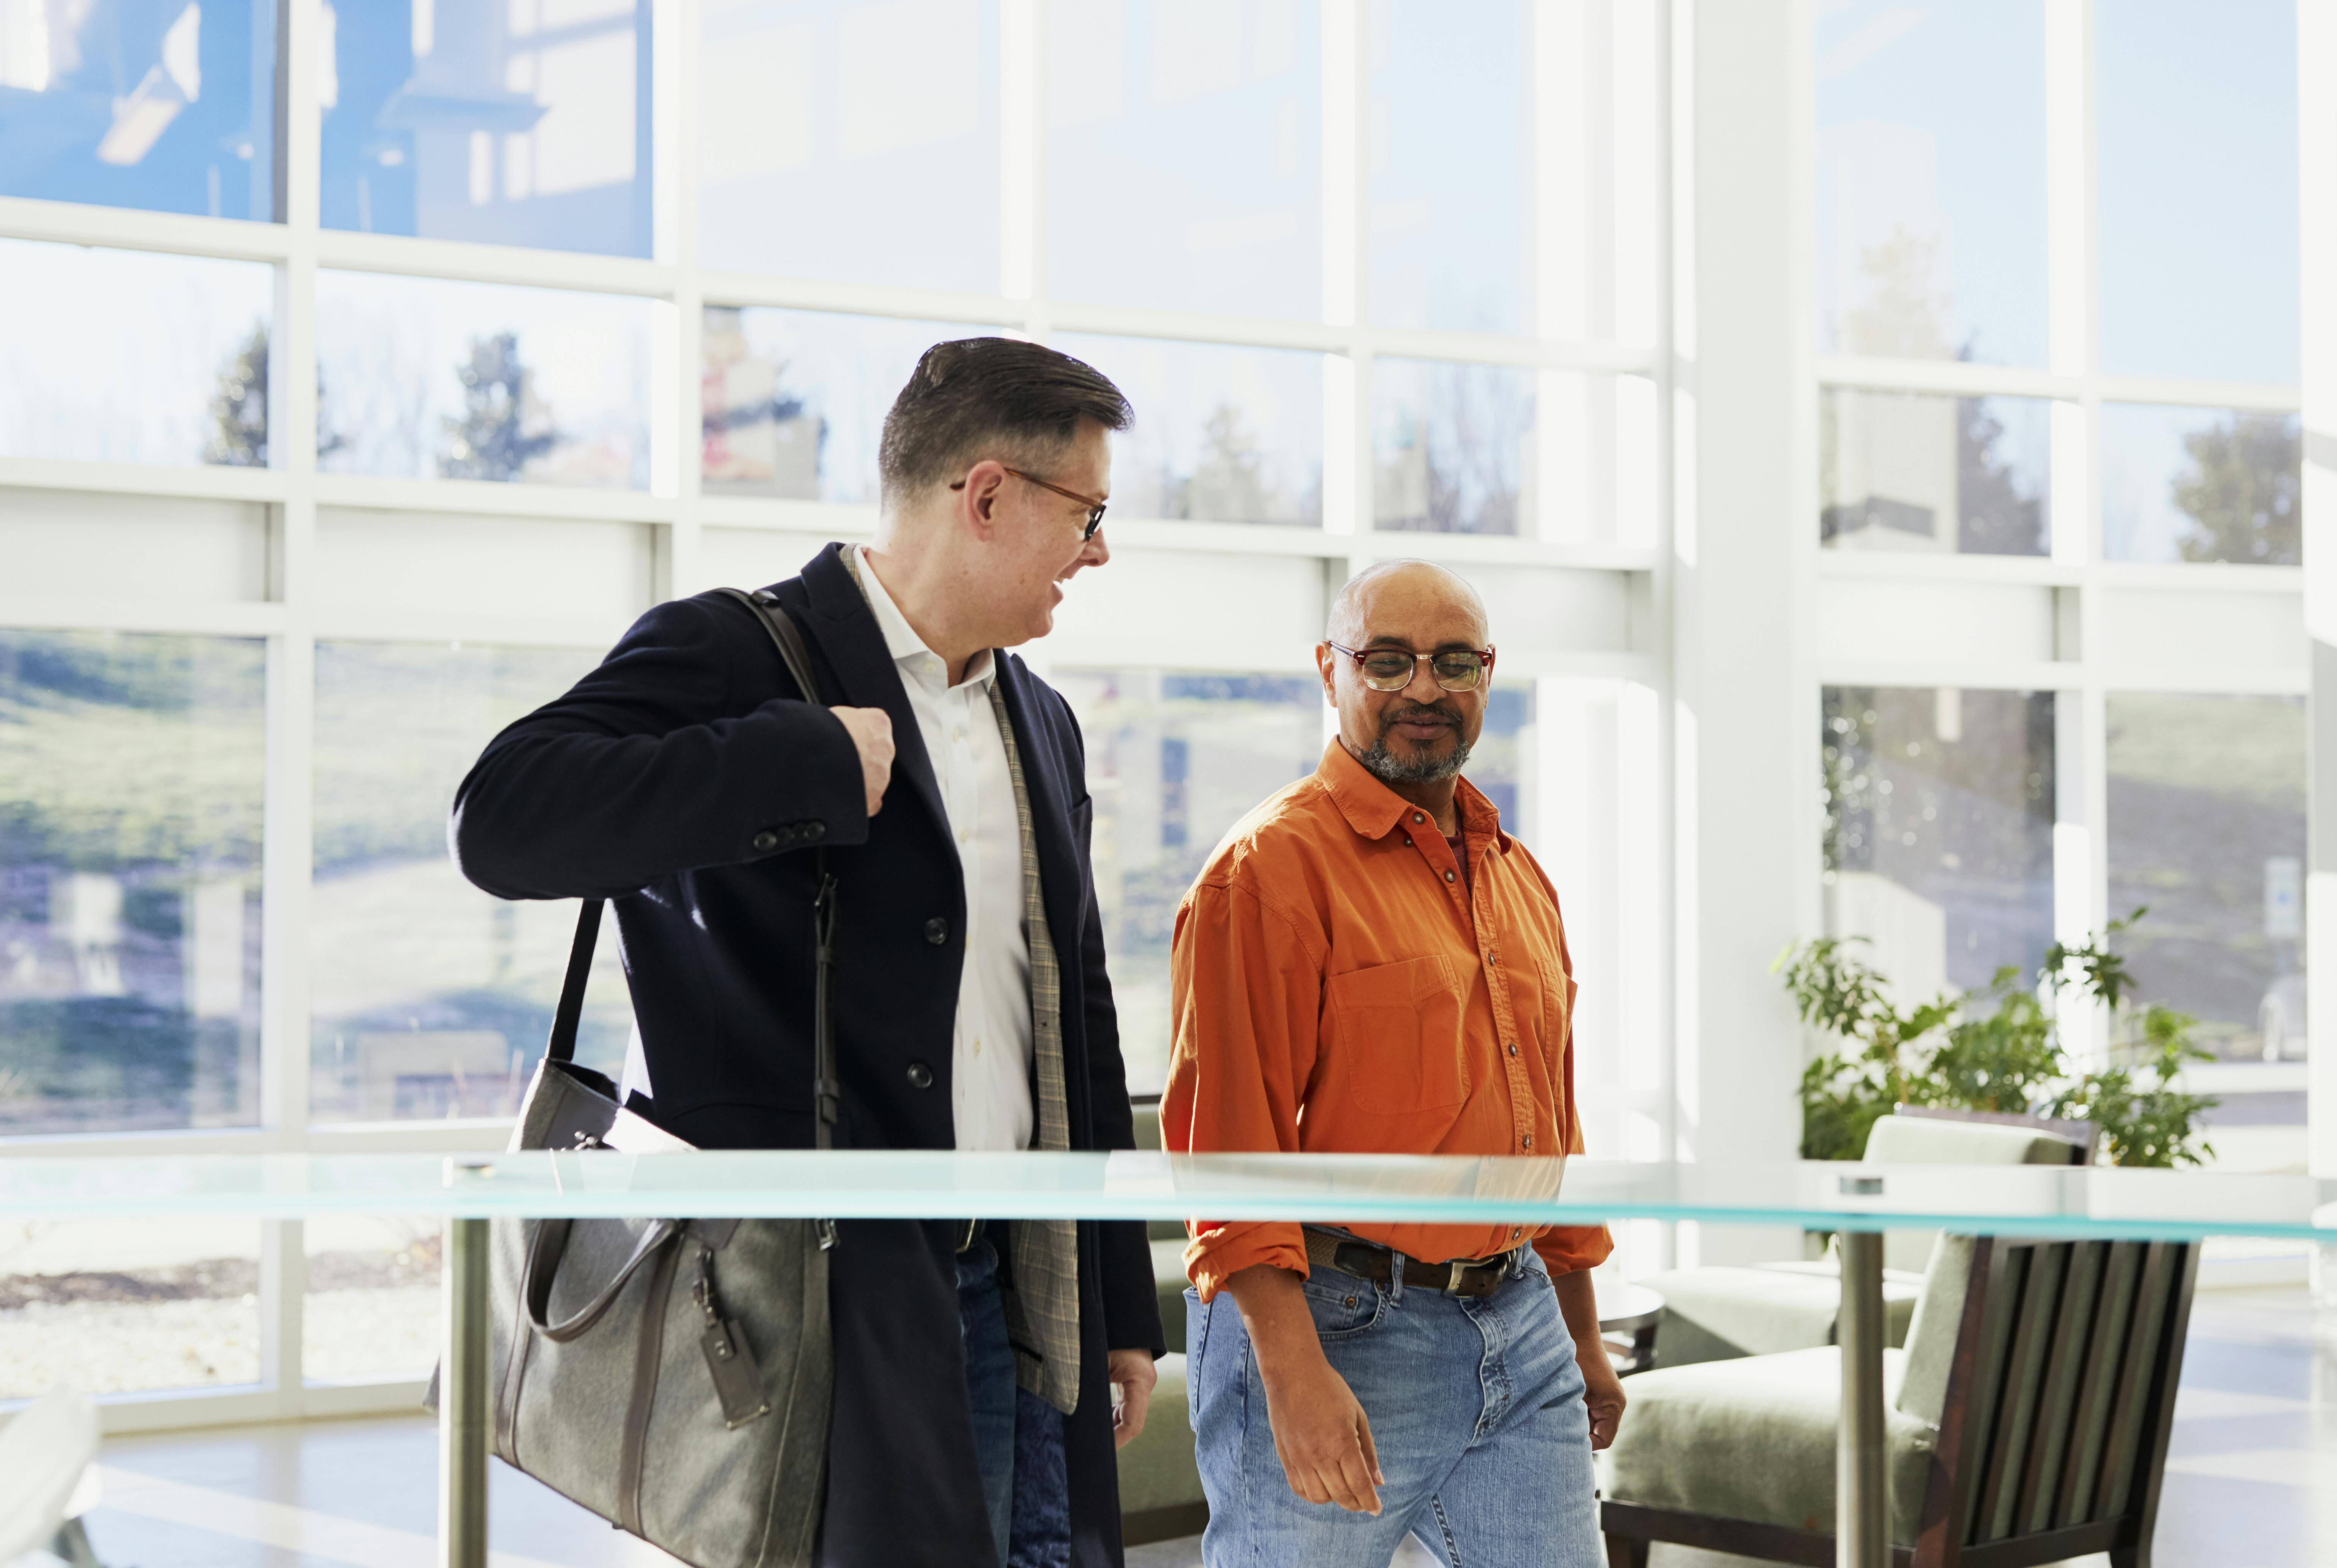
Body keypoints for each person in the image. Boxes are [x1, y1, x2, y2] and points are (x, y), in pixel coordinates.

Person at [450, 338, 1164, 1568]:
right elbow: (502, 820)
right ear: (987, 496)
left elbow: (1073, 1012)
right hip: (807, 1296)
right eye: (1088, 513)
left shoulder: (1040, 719)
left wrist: (1115, 1303)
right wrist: (803, 761)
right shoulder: (737, 651)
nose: (1099, 550)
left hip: (1008, 1281)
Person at [1161, 559, 1627, 1566]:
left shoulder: (1517, 874)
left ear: (1488, 676)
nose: (1425, 687)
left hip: (1520, 1321)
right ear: (1331, 672)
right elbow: (1226, 1147)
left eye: (1454, 661)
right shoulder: (1268, 871)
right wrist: (1290, 1373)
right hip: (1336, 1328)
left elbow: (1547, 1123)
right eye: (1389, 661)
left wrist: (1581, 1329)